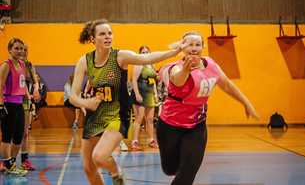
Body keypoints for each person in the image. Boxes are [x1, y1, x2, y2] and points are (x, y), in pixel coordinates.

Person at [69, 19, 185, 185]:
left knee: (99, 156)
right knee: (88, 167)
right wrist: (86, 103)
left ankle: (117, 173)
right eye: (102, 34)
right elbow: (73, 95)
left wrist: (173, 52)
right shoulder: (84, 61)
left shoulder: (119, 56)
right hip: (95, 116)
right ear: (93, 39)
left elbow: (146, 58)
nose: (108, 37)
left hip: (117, 115)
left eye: (110, 33)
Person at [156, 31, 259, 185]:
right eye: (189, 44)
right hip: (170, 126)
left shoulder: (211, 65)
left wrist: (246, 102)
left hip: (197, 127)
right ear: (183, 48)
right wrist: (186, 70)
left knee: (189, 170)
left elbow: (226, 85)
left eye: (197, 44)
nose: (194, 48)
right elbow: (177, 80)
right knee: (170, 169)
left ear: (203, 47)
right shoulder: (176, 68)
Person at [0, 38, 28, 176]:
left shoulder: (22, 64)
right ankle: (8, 165)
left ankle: (10, 163)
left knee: (19, 136)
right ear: (10, 49)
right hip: (8, 104)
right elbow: (0, 85)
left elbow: (22, 84)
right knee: (6, 137)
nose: (19, 51)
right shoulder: (6, 65)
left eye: (21, 48)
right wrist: (0, 105)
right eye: (16, 48)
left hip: (19, 104)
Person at [131, 45, 159, 151]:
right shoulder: (138, 64)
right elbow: (133, 80)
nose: (145, 54)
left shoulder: (152, 65)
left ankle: (151, 140)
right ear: (140, 54)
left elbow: (153, 82)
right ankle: (134, 141)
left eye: (147, 52)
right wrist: (137, 94)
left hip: (150, 94)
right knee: (139, 118)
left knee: (150, 119)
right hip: (140, 93)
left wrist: (155, 94)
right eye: (143, 52)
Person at [20, 44, 40, 170]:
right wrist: (28, 93)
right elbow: (21, 83)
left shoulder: (29, 65)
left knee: (25, 132)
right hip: (12, 100)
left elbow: (35, 80)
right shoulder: (11, 65)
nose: (23, 52)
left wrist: (36, 89)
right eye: (20, 49)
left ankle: (24, 160)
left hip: (25, 101)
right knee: (10, 133)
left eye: (25, 50)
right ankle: (5, 160)